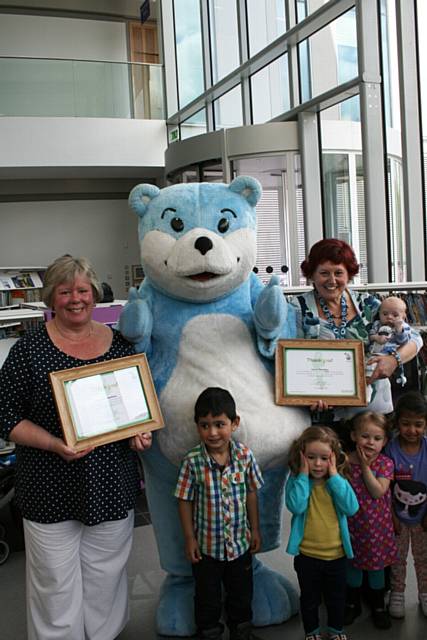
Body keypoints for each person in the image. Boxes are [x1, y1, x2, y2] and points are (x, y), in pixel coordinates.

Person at [0, 255, 152, 640]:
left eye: (82, 290)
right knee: (55, 583)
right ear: (51, 297)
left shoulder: (120, 344)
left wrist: (141, 431)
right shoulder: (29, 350)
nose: (75, 299)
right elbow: (5, 416)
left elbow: (136, 407)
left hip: (109, 480)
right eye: (64, 291)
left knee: (106, 575)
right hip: (48, 484)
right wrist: (53, 442)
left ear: (94, 294)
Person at [291, 238, 422, 416]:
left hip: (373, 415)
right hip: (323, 413)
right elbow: (291, 358)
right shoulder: (297, 308)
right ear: (312, 275)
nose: (332, 280)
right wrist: (305, 393)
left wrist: (393, 360)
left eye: (338, 273)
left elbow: (415, 338)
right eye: (324, 273)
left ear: (349, 275)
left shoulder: (368, 304)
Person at [174, 387, 263, 640]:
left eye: (219, 424)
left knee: (242, 592)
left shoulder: (245, 456)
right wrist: (190, 538)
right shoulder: (192, 461)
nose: (212, 432)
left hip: (240, 544)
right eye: (205, 425)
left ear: (234, 423)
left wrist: (255, 529)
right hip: (206, 549)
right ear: (197, 426)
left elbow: (252, 493)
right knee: (206, 596)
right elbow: (184, 500)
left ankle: (242, 629)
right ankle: (209, 631)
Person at [285, 426, 359, 640]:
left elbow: (351, 507)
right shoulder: (297, 481)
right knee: (309, 599)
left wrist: (335, 476)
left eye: (324, 458)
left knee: (337, 598)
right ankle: (312, 632)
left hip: (336, 556)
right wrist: (302, 475)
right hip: (307, 556)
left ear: (333, 458)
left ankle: (336, 630)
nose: (317, 464)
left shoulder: (338, 483)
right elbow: (297, 506)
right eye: (311, 457)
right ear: (301, 456)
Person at [345, 411, 397, 630]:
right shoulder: (345, 461)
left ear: (385, 441)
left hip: (378, 529)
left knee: (376, 570)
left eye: (377, 439)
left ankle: (378, 606)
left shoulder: (385, 464)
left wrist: (365, 467)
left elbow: (377, 491)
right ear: (354, 435)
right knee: (352, 568)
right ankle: (352, 604)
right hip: (351, 527)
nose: (370, 442)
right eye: (365, 436)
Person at [384, 391, 427, 619]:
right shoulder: (390, 449)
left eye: (418, 424)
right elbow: (386, 487)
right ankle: (397, 593)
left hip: (423, 518)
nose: (412, 430)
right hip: (397, 518)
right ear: (397, 423)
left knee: (424, 558)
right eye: (406, 424)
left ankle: (425, 592)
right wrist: (391, 515)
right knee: (397, 559)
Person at [368, 296, 411, 386]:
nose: (389, 317)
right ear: (379, 313)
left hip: (392, 354)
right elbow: (370, 336)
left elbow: (404, 341)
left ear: (403, 317)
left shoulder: (404, 327)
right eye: (385, 314)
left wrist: (399, 329)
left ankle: (400, 377)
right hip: (374, 353)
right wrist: (377, 338)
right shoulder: (377, 324)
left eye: (395, 315)